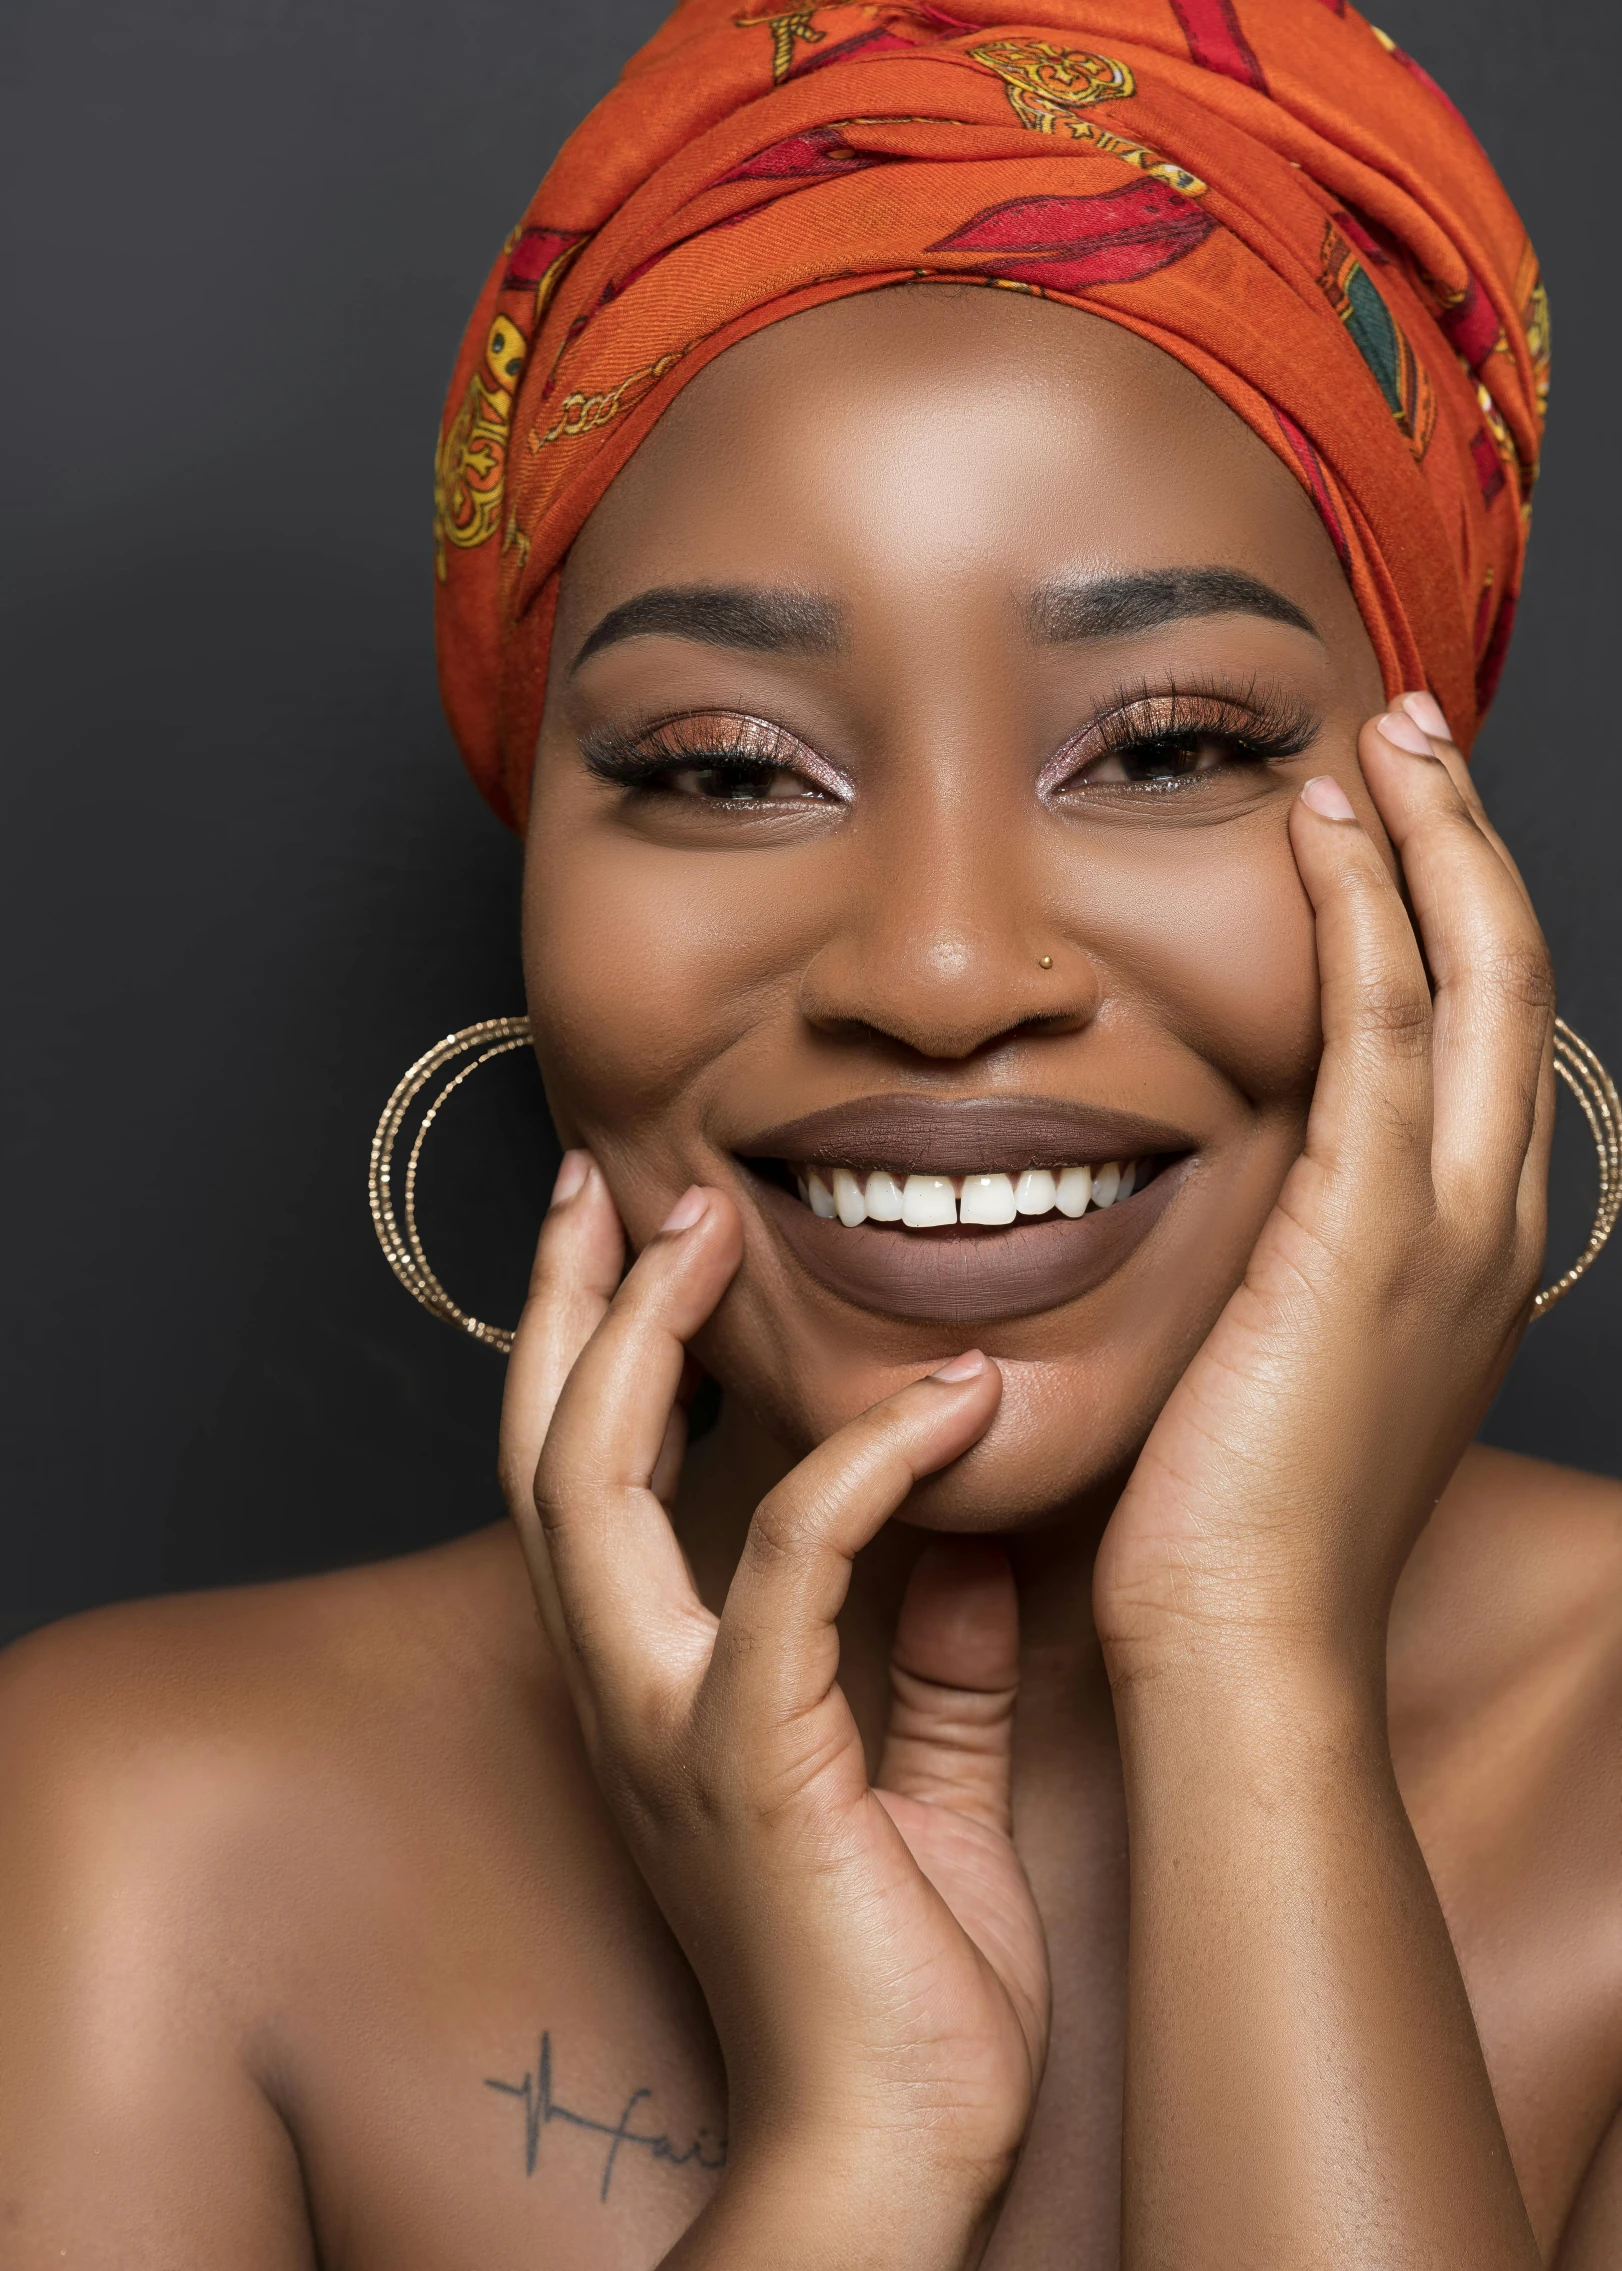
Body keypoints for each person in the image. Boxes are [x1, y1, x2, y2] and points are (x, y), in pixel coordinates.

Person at [3, 3, 1620, 2264]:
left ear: (1444, 848)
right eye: (730, 766)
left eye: (1160, 750)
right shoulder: (145, 1843)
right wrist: (860, 2147)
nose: (940, 970)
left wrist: (1247, 1666)